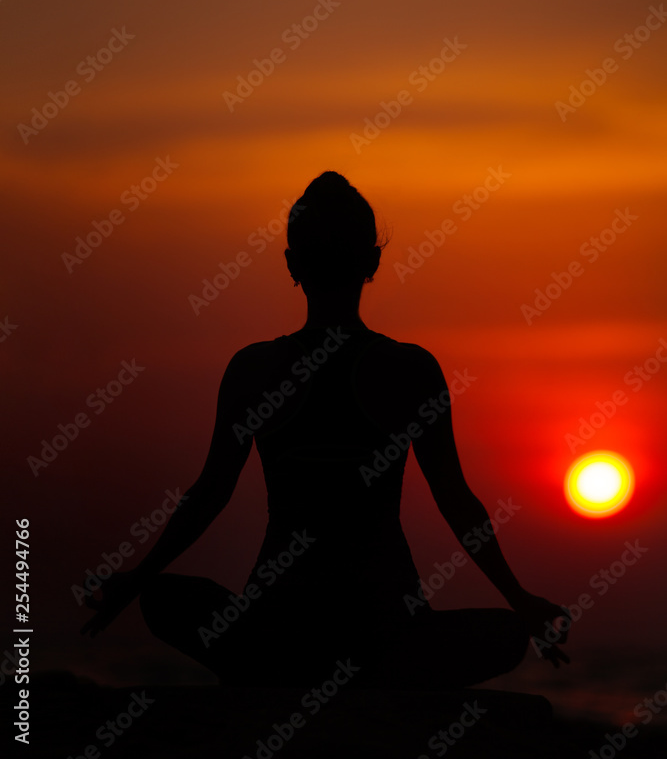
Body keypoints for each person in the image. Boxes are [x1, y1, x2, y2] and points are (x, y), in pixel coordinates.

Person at [82, 171, 570, 689]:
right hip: (383, 625)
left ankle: (283, 673)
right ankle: (377, 676)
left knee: (162, 597)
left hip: (278, 627)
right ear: (373, 262)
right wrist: (520, 600)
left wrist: (135, 580)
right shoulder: (410, 370)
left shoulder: (253, 370)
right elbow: (455, 499)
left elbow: (208, 495)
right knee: (508, 634)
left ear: (293, 264)